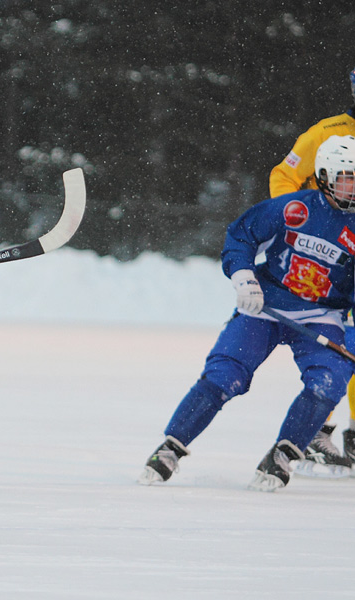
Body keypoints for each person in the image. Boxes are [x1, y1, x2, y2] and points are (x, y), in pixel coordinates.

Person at [139, 135, 355, 492]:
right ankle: (171, 447)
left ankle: (284, 452)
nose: (354, 186)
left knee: (328, 382)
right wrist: (243, 277)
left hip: (320, 317)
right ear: (324, 176)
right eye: (348, 177)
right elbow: (241, 236)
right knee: (225, 378)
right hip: (266, 308)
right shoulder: (293, 209)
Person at [268, 68, 355, 477]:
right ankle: (320, 430)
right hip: (336, 255)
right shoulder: (329, 131)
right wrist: (301, 225)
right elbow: (284, 175)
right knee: (345, 341)